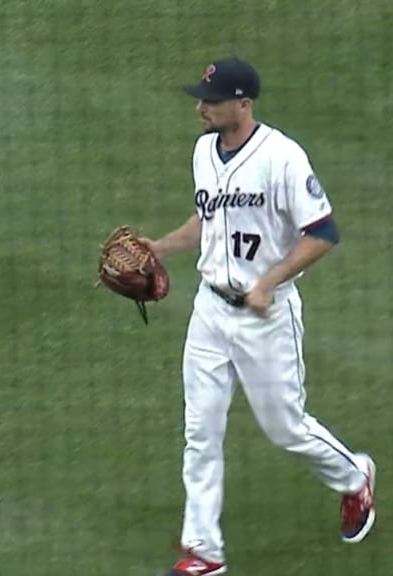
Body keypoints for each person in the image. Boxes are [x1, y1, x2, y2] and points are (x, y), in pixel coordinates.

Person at [146, 57, 376, 576]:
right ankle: (204, 553)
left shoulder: (282, 157)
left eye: (212, 99)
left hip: (265, 319)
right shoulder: (204, 151)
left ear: (243, 104)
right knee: (200, 431)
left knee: (286, 428)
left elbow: (323, 233)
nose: (201, 107)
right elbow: (209, 221)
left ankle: (354, 477)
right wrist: (160, 247)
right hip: (209, 311)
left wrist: (268, 284)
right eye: (202, 98)